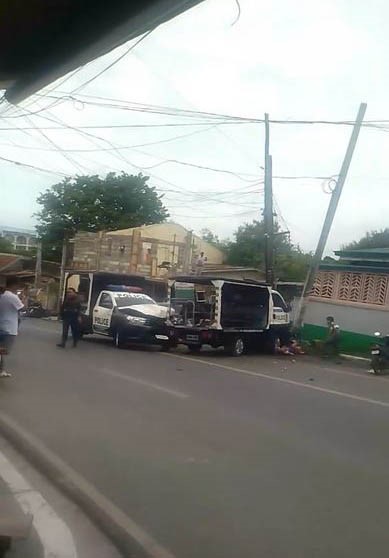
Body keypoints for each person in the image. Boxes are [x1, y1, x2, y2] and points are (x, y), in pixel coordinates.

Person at [0, 279, 25, 378]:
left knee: (1, 350)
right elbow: (23, 308)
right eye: (18, 286)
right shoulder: (12, 296)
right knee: (3, 350)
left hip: (2, 325)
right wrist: (24, 297)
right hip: (9, 327)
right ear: (14, 285)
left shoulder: (3, 295)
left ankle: (1, 370)